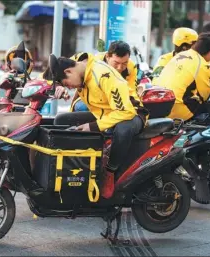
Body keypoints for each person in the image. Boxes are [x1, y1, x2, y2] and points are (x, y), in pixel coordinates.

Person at [49, 53, 148, 199]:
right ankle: (71, 168)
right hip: (105, 115)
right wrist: (58, 86)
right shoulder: (77, 68)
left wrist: (94, 126)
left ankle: (110, 171)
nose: (69, 87)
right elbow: (46, 76)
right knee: (62, 120)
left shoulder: (103, 75)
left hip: (132, 113)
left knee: (123, 128)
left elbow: (125, 112)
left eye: (66, 83)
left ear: (69, 72)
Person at [152, 32, 210, 121]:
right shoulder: (202, 65)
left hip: (158, 105)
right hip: (175, 110)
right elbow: (207, 95)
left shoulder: (180, 55)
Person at [69, 41, 138, 112]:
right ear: (108, 56)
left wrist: (138, 109)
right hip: (92, 99)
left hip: (115, 101)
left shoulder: (131, 67)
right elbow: (66, 66)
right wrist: (59, 84)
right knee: (81, 107)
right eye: (116, 63)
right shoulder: (95, 61)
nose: (120, 67)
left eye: (124, 63)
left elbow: (132, 91)